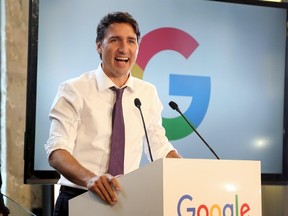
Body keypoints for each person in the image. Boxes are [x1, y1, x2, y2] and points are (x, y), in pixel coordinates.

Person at [45, 11, 181, 216]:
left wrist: (189, 172)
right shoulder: (74, 90)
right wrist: (91, 179)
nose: (124, 49)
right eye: (115, 40)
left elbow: (159, 148)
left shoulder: (147, 93)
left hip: (126, 202)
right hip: (79, 198)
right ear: (99, 45)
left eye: (131, 41)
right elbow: (57, 151)